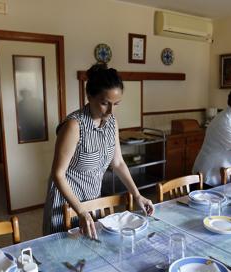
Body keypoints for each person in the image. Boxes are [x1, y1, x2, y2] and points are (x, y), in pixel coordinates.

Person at [42, 64, 155, 238]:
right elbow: (58, 174)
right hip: (66, 205)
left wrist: (137, 194)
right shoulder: (74, 126)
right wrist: (80, 211)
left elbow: (118, 162)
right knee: (65, 256)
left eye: (116, 104)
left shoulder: (111, 123)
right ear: (89, 96)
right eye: (104, 103)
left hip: (93, 202)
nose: (111, 111)